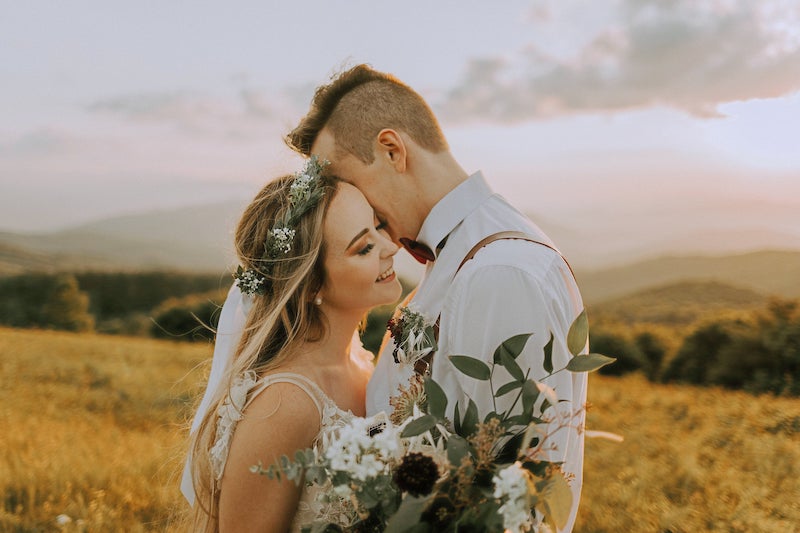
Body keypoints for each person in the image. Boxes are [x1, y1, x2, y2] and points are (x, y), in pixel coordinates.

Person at [285, 64, 588, 532]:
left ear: (392, 150)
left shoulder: (499, 275)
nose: (349, 203)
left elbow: (501, 503)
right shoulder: (458, 260)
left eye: (348, 182)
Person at [185, 158, 402, 532]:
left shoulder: (366, 364)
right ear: (312, 286)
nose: (389, 247)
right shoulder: (284, 403)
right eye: (364, 247)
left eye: (379, 225)